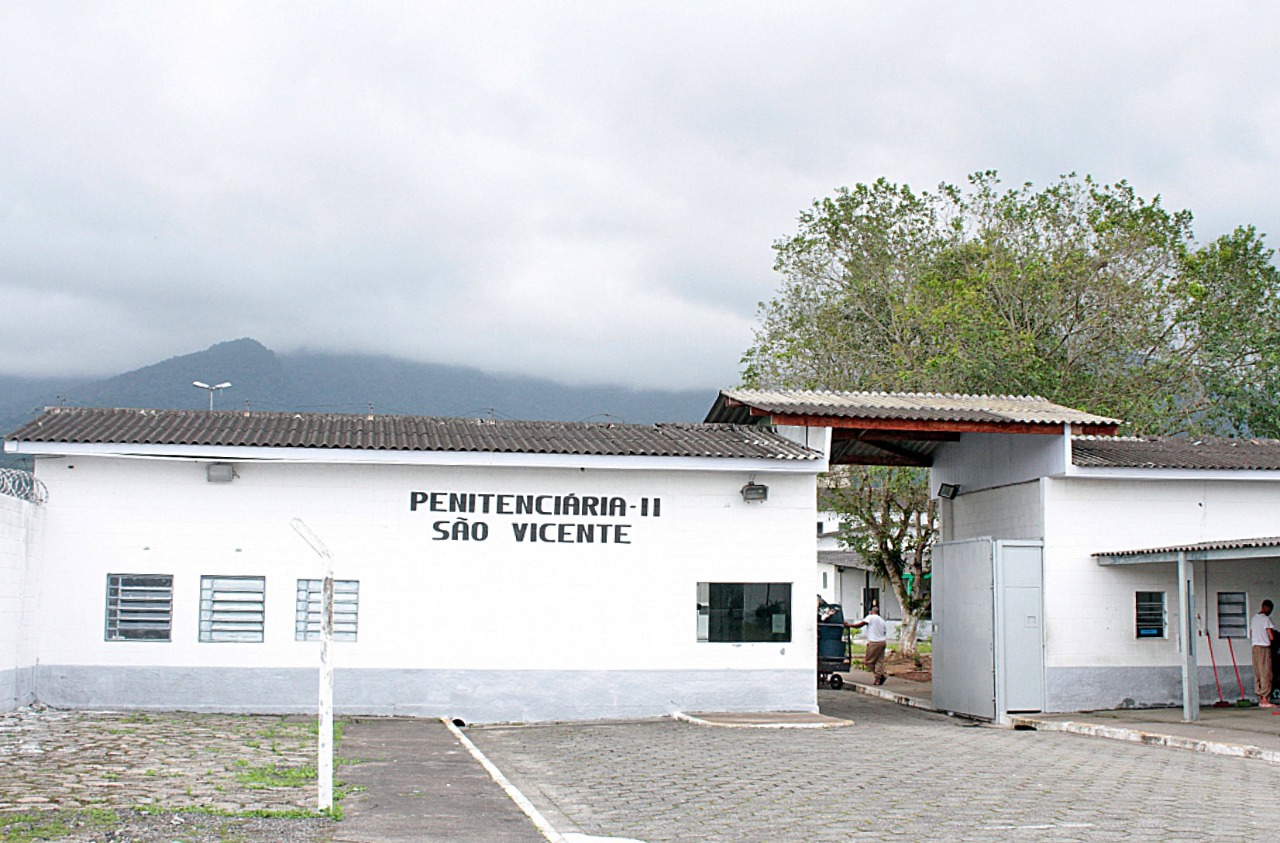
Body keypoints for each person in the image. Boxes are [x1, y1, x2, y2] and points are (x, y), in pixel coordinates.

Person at [850, 603, 888, 685]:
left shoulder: (870, 617)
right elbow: (884, 632)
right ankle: (879, 678)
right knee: (879, 661)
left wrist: (849, 625)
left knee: (869, 662)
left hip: (874, 642)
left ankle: (880, 675)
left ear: (871, 612)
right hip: (882, 642)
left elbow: (860, 624)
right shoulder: (882, 621)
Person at [1251, 599, 1277, 707]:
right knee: (1266, 672)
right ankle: (1265, 698)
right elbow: (1271, 636)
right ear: (1267, 608)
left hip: (1255, 647)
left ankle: (1260, 698)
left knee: (1257, 672)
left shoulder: (1254, 618)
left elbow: (1251, 633)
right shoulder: (1265, 619)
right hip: (1264, 648)